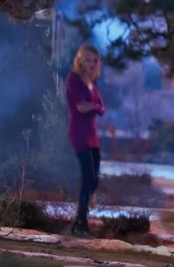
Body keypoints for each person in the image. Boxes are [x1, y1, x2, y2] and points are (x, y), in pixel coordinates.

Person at [65, 43, 106, 237]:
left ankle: (79, 220)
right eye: (88, 60)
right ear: (80, 61)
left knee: (94, 180)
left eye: (95, 61)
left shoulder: (93, 82)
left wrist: (94, 106)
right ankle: (81, 223)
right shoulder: (74, 79)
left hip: (92, 133)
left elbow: (101, 108)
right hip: (79, 132)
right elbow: (82, 107)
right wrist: (94, 107)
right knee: (88, 177)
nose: (92, 64)